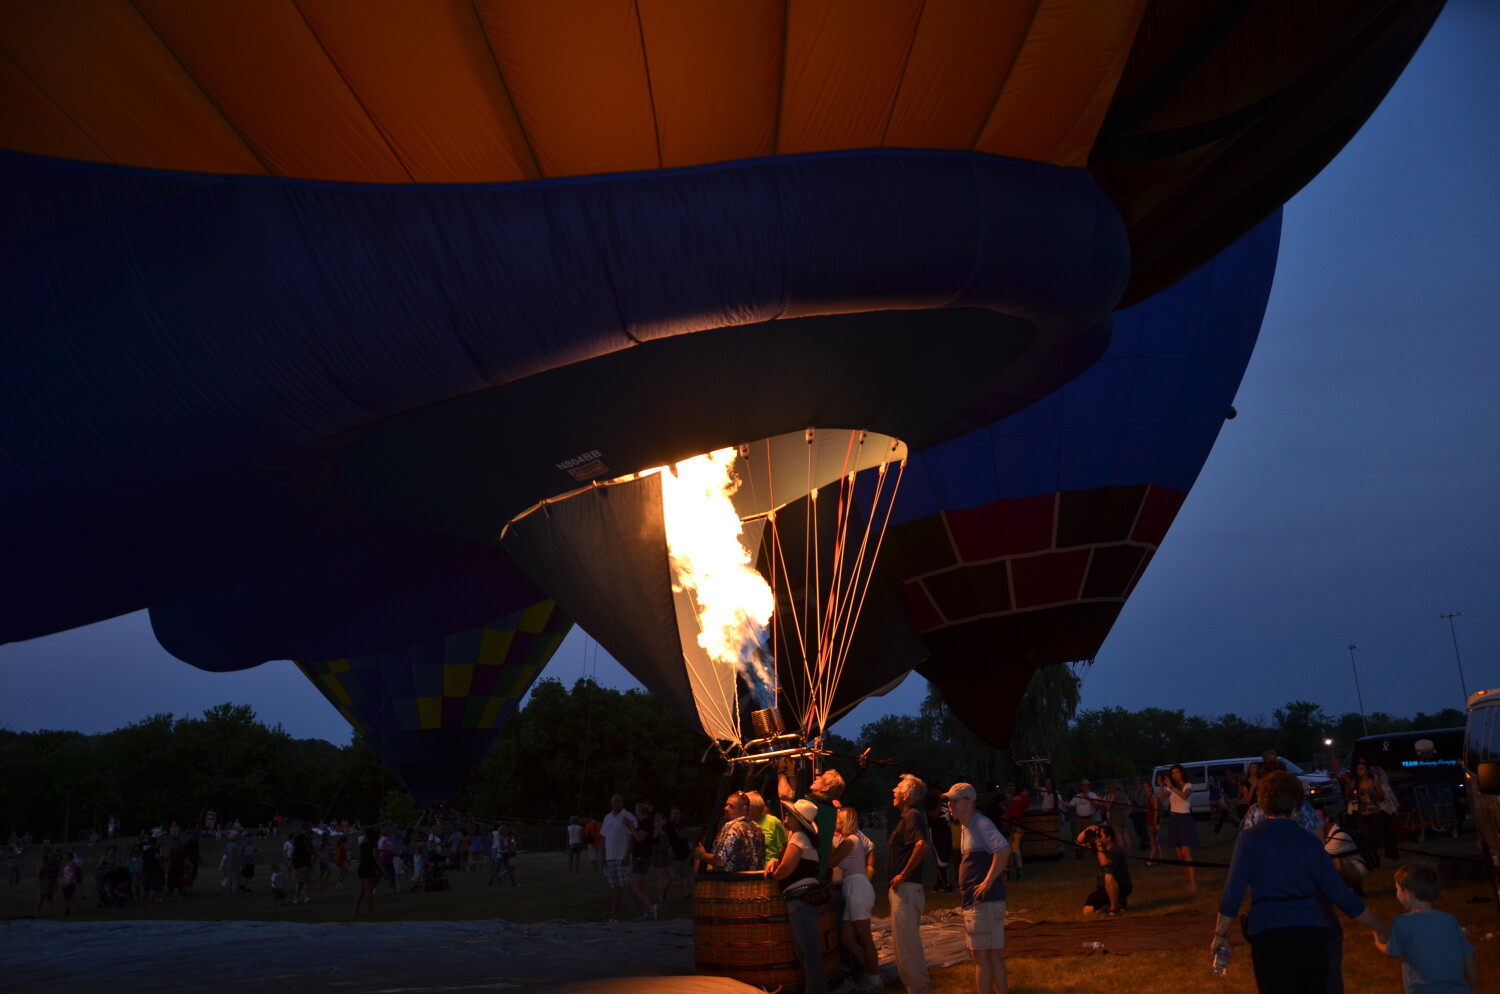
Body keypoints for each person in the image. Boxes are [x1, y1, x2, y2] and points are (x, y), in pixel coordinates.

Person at [1213, 772, 1388, 993]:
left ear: (1262, 801)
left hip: (1269, 932)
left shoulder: (1249, 839)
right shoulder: (1311, 843)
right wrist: (1379, 928)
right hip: (1311, 932)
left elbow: (1232, 893)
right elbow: (1342, 895)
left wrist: (1220, 935)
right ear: (1297, 803)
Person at [767, 798, 845, 994]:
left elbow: (787, 867)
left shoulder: (798, 837)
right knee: (805, 950)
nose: (785, 816)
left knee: (808, 951)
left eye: (789, 814)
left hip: (801, 901)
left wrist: (775, 873)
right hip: (803, 900)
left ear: (797, 819)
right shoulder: (803, 838)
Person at [1374, 860, 1478, 993]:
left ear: (1408, 893)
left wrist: (1378, 943)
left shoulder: (1402, 922)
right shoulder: (1449, 920)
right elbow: (1469, 956)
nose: (1397, 894)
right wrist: (1473, 989)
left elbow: (1393, 951)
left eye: (1397, 890)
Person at [945, 782, 1010, 994]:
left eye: (955, 800)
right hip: (977, 902)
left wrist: (988, 881)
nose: (950, 804)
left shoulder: (980, 823)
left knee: (984, 957)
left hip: (985, 902)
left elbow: (1003, 849)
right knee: (985, 956)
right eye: (949, 800)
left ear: (970, 801)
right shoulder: (967, 827)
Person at [888, 773, 931, 994]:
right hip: (902, 890)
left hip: (906, 890)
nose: (893, 791)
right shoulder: (906, 817)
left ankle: (920, 990)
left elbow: (922, 845)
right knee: (902, 947)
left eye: (897, 787)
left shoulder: (914, 815)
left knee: (908, 948)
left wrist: (903, 875)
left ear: (906, 795)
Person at [833, 806, 881, 992]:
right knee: (848, 939)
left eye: (838, 818)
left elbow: (831, 861)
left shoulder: (850, 841)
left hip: (857, 887)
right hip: (851, 887)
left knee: (865, 937)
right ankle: (870, 972)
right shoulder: (851, 839)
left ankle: (875, 980)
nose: (836, 820)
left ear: (844, 822)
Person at [1346, 753, 1398, 867]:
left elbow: (1381, 794)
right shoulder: (1358, 781)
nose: (1359, 768)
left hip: (1378, 809)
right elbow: (1350, 795)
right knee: (1369, 835)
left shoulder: (1374, 775)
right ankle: (1378, 858)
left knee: (1379, 834)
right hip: (1364, 813)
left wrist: (1377, 787)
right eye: (1358, 766)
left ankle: (1381, 858)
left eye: (1362, 764)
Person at [695, 791, 765, 873]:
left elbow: (721, 861)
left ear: (744, 809)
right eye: (726, 805)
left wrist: (702, 854)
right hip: (753, 881)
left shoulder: (733, 827)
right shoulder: (758, 828)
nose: (726, 808)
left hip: (730, 882)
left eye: (731, 806)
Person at [1077, 824, 1131, 916]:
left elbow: (1104, 863)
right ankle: (1111, 903)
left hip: (1122, 885)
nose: (1098, 837)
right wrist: (1087, 830)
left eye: (1100, 835)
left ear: (1109, 837)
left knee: (1108, 876)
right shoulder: (1099, 847)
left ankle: (1113, 909)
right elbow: (1079, 842)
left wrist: (1098, 845)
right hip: (1104, 887)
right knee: (1087, 911)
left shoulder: (1116, 850)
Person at [600, 794, 637, 920]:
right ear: (611, 803)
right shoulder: (607, 818)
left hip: (622, 857)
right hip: (610, 857)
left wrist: (627, 855)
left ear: (623, 803)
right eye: (614, 802)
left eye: (619, 802)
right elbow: (604, 838)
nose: (616, 804)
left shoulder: (629, 817)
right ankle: (615, 909)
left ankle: (633, 907)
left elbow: (633, 837)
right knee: (614, 885)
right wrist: (603, 856)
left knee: (629, 883)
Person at [1165, 764, 1198, 891]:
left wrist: (1172, 787)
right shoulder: (1171, 788)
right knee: (1179, 856)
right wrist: (1163, 786)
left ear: (1182, 773)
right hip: (1174, 819)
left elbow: (1184, 796)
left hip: (1184, 818)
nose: (1174, 775)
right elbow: (1162, 799)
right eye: (1172, 773)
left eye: (1177, 772)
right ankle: (1190, 882)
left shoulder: (1188, 785)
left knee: (1185, 852)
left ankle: (1194, 884)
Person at [630, 802, 658, 920]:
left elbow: (640, 837)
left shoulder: (645, 822)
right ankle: (648, 911)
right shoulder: (645, 822)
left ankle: (651, 908)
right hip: (642, 856)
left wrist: (629, 826)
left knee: (634, 886)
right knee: (642, 884)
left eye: (636, 811)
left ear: (639, 811)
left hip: (642, 857)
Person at [746, 790, 787, 864]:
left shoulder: (773, 822)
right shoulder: (741, 824)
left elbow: (783, 847)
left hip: (768, 869)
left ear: (750, 809)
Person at [1062, 780, 1100, 858]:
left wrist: (1088, 798)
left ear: (1089, 786)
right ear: (1081, 787)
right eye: (1084, 786)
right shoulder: (1077, 796)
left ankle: (1095, 850)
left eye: (1087, 786)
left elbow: (1095, 806)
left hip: (1089, 818)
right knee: (1080, 836)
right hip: (1079, 819)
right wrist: (1060, 801)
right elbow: (1070, 805)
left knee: (1092, 835)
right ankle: (1081, 852)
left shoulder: (1093, 795)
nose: (1085, 787)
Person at [1002, 784, 1029, 879]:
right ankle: (1009, 874)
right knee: (1011, 860)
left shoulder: (1013, 798)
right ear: (1022, 791)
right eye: (1026, 791)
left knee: (1014, 859)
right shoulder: (1023, 797)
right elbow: (1026, 809)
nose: (1027, 793)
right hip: (1016, 820)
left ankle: (1013, 874)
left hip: (1011, 820)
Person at [354, 826, 379, 917]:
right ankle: (371, 911)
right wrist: (383, 870)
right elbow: (376, 858)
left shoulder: (362, 845)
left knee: (361, 890)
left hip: (361, 868)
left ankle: (356, 910)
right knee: (368, 891)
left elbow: (359, 857)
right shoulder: (373, 845)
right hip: (368, 869)